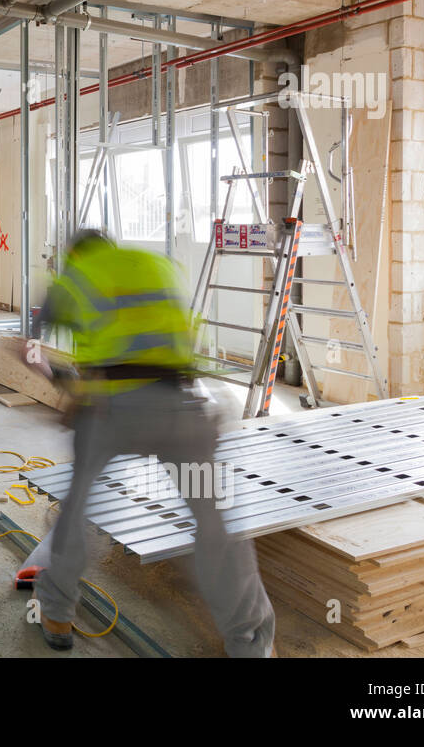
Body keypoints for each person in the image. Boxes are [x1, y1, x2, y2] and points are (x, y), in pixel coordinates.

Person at [21, 229, 275, 657]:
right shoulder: (158, 266)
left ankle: (57, 613)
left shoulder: (77, 275)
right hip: (182, 409)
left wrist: (69, 390)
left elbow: (32, 348)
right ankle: (250, 644)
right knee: (214, 524)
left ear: (74, 253)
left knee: (79, 506)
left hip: (110, 414)